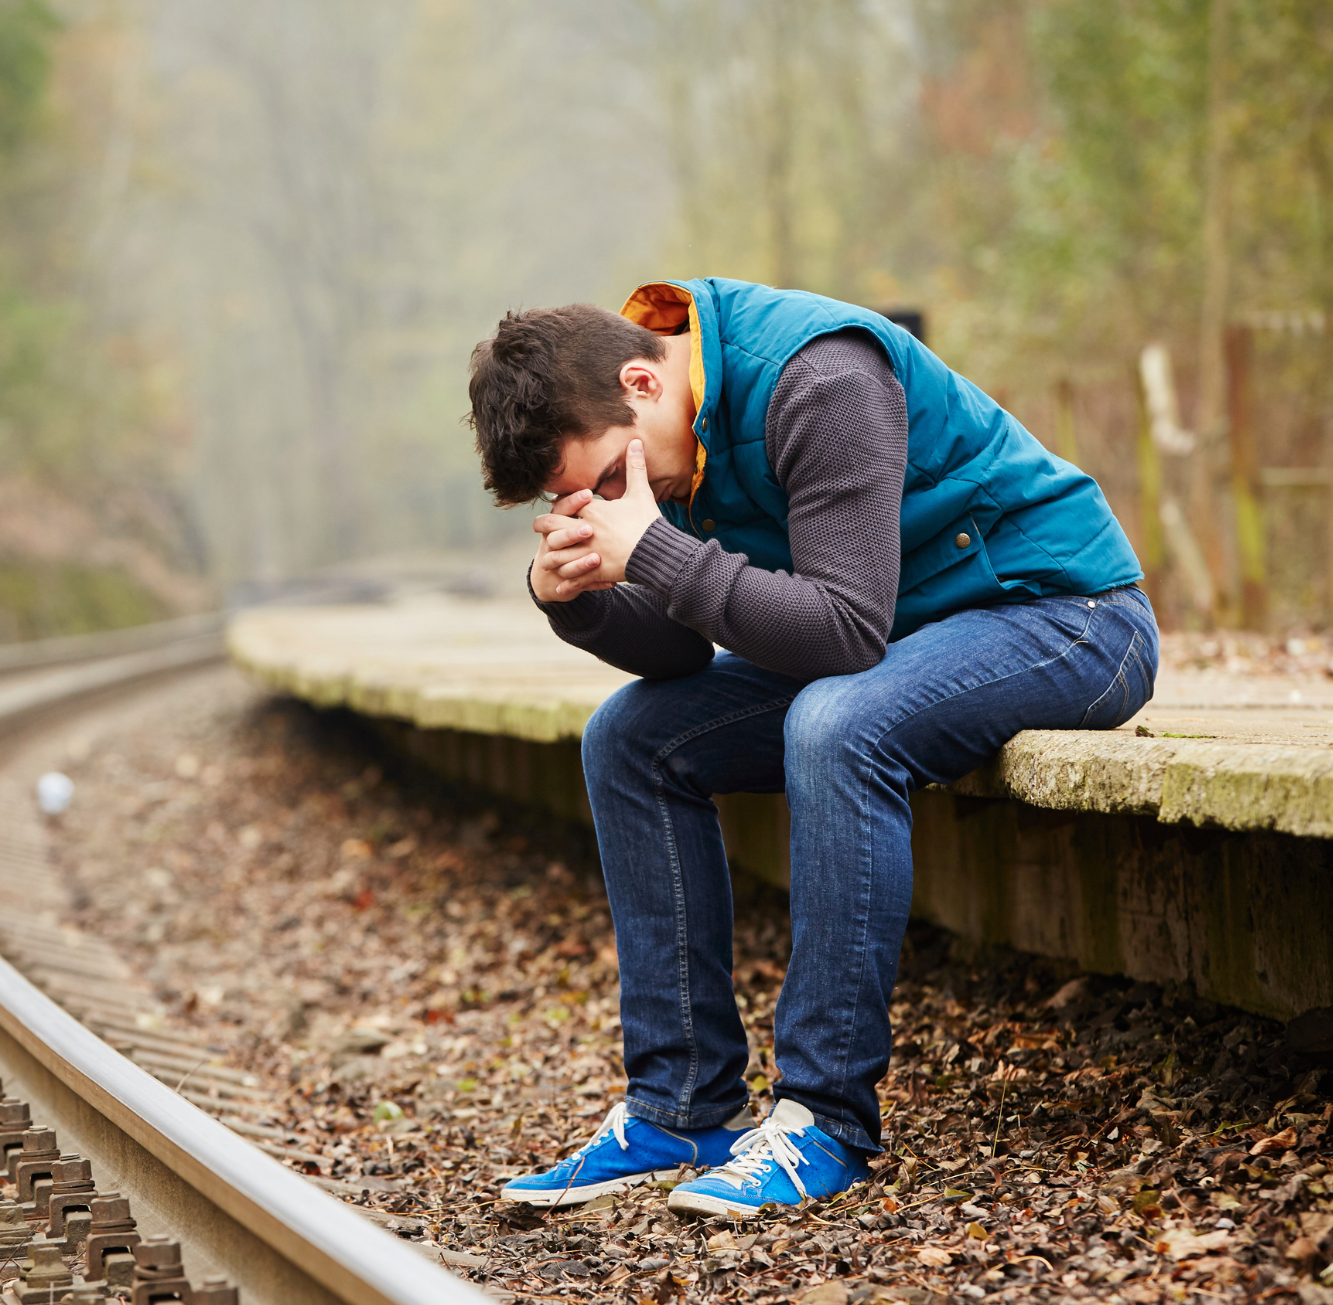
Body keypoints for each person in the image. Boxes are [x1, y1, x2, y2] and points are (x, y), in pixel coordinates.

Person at [465, 279, 1157, 1218]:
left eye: (599, 482)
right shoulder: (678, 428)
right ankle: (682, 1108)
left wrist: (655, 550)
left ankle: (823, 1118)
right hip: (909, 645)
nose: (600, 504)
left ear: (641, 380)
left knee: (835, 723)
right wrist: (577, 599)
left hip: (1062, 615)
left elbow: (844, 634)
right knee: (631, 736)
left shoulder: (817, 377)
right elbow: (679, 651)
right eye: (574, 500)